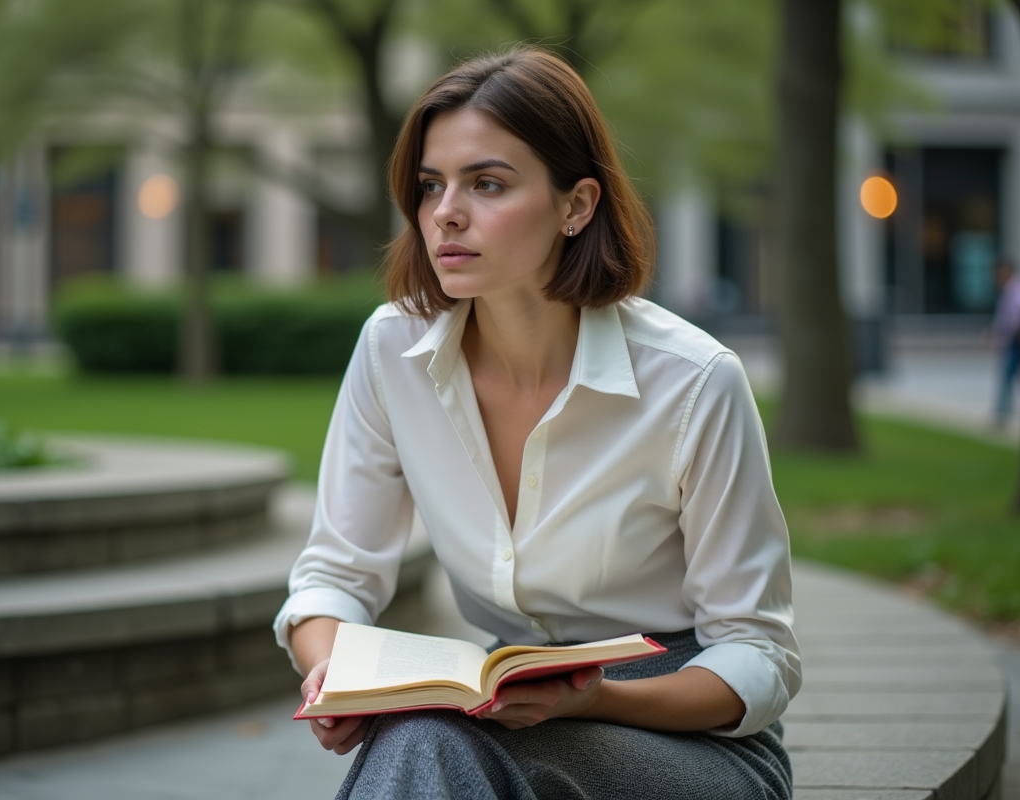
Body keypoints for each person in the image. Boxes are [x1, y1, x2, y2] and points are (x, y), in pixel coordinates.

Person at [274, 48, 800, 800]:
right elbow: (333, 574)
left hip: (689, 736)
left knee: (433, 747)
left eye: (487, 183)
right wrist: (333, 670)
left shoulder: (693, 381)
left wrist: (596, 696)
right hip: (506, 706)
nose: (445, 213)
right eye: (431, 185)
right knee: (426, 737)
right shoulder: (391, 350)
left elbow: (758, 655)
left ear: (576, 205)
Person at [989, 257, 1020, 425]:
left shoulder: (1019, 289)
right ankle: (1002, 411)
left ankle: (1002, 412)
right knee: (1009, 376)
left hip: (1019, 340)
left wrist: (1009, 333)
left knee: (1009, 375)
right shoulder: (1009, 289)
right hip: (1013, 339)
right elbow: (1004, 316)